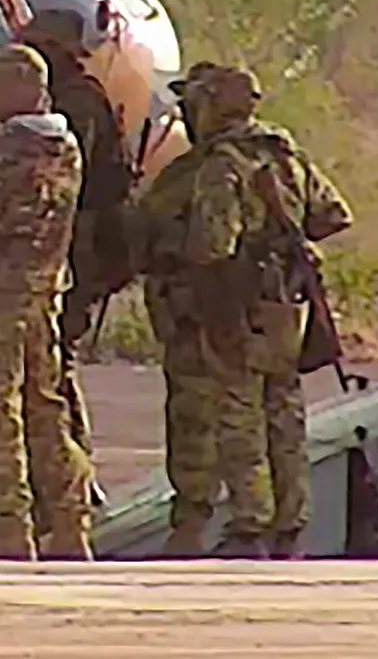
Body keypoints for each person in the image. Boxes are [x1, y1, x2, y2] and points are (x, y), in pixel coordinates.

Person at [182, 64, 352, 558]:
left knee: (239, 412)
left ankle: (250, 523)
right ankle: (291, 522)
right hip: (287, 302)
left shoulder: (223, 163)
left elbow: (213, 245)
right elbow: (333, 213)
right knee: (285, 411)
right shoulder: (286, 154)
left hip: (241, 301)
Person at [0, 45, 92, 559]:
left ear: (21, 88)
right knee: (46, 407)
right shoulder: (65, 145)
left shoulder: (11, 149)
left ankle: (9, 524)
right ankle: (69, 522)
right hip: (46, 291)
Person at [20, 8, 128, 508]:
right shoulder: (74, 96)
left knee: (52, 368)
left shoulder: (75, 102)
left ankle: (72, 480)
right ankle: (71, 479)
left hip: (74, 253)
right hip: (71, 251)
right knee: (52, 367)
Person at [127, 70, 216, 556]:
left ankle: (196, 525)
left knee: (195, 418)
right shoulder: (280, 159)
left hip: (197, 313)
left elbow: (143, 233)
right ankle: (270, 520)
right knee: (263, 416)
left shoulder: (189, 174)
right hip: (255, 314)